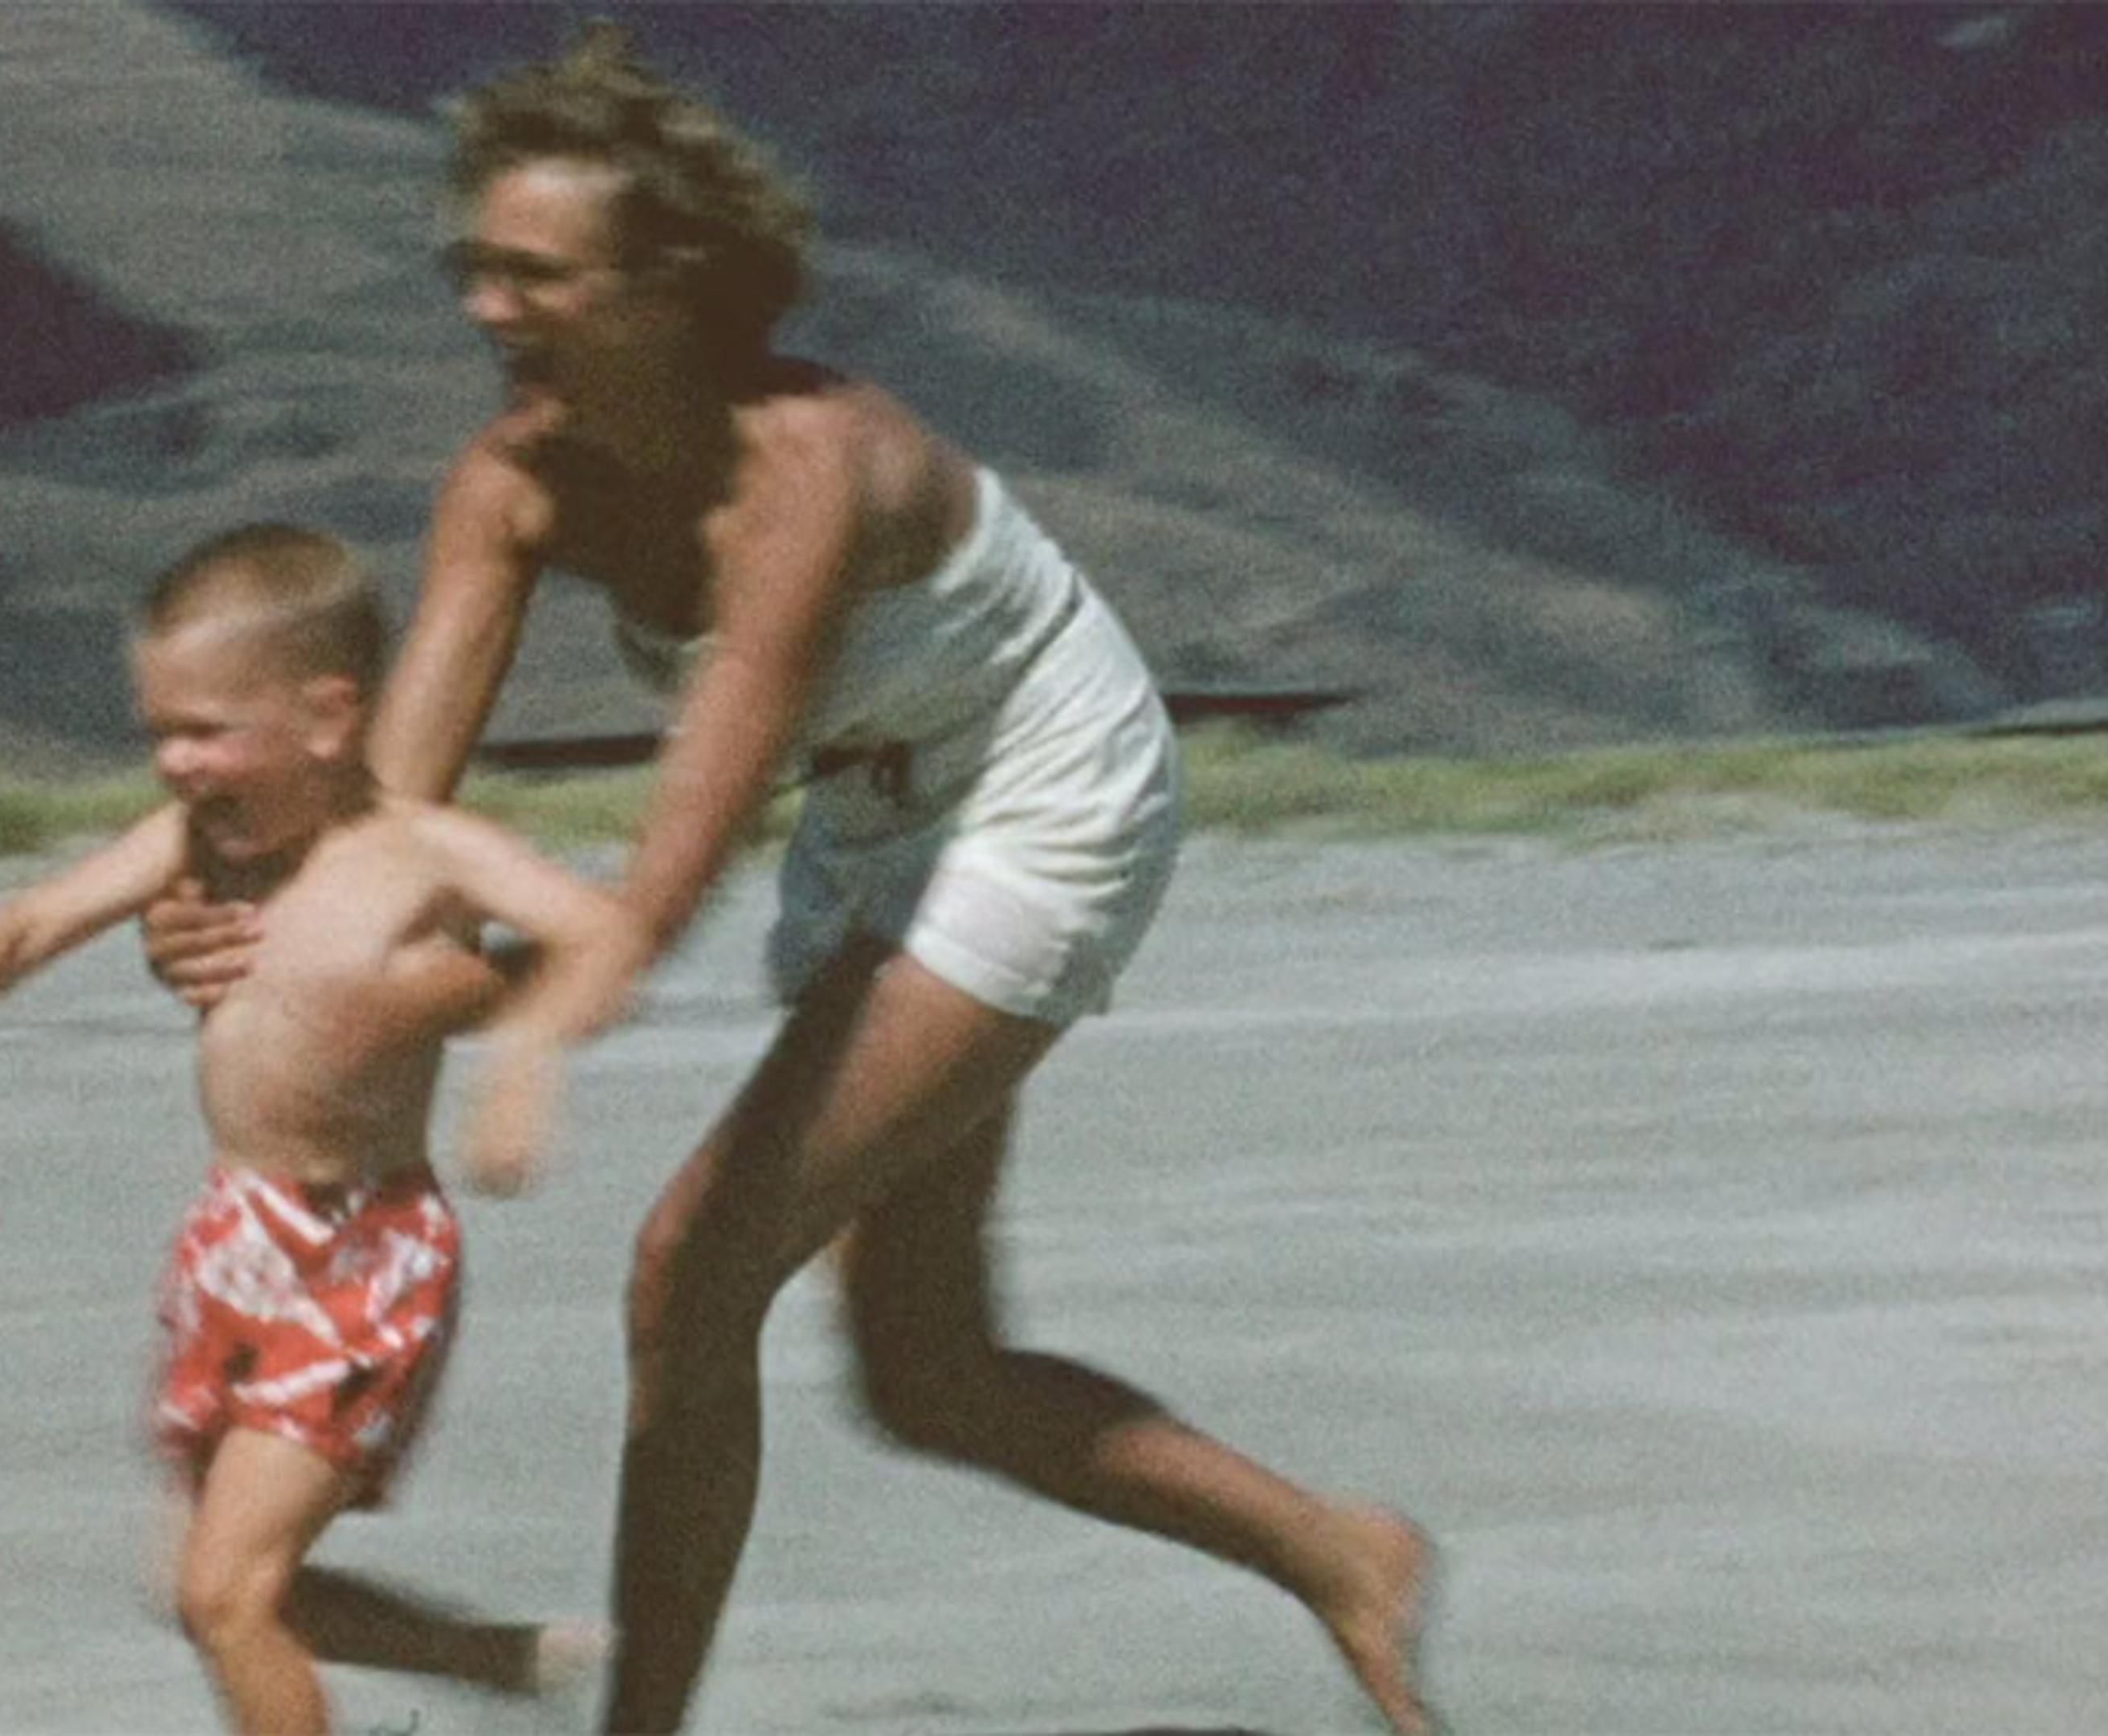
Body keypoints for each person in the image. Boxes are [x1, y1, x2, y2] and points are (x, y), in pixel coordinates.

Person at [141, 28, 1437, 1736]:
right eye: (476, 270)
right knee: (927, 1371)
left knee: (693, 1264)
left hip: (1046, 791)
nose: (489, 309)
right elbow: (380, 819)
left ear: (670, 284)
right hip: (881, 805)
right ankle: (1345, 1552)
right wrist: (239, 916)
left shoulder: (810, 480)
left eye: (538, 277)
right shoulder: (513, 486)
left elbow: (683, 851)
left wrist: (517, 1022)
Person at [0, 523, 645, 1734]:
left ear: (326, 717)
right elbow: (32, 922)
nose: (178, 764)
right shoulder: (192, 847)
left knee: (230, 1593)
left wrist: (524, 1061)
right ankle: (483, 1657)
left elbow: (605, 932)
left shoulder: (422, 857)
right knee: (199, 1583)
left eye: (208, 730)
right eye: (160, 732)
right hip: (237, 1237)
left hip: (365, 1250)